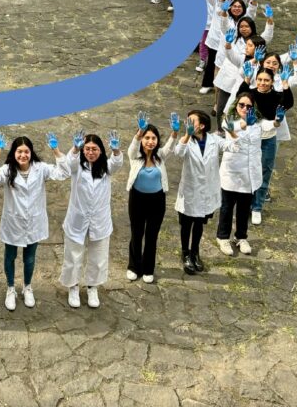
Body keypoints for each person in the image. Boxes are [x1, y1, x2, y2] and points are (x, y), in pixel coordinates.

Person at [0, 133, 68, 310]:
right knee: (10, 256)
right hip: (13, 223)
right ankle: (10, 288)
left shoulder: (40, 168)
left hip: (34, 222)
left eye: (26, 152)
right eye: (19, 151)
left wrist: (56, 150)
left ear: (31, 153)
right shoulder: (8, 170)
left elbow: (63, 173)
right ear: (14, 153)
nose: (23, 155)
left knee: (29, 258)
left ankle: (27, 287)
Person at [60, 131, 124, 308]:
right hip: (77, 218)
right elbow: (69, 162)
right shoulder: (77, 167)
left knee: (99, 255)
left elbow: (117, 163)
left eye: (94, 149)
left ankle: (92, 287)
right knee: (73, 253)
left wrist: (116, 150)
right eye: (87, 149)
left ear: (101, 151)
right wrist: (75, 147)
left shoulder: (106, 167)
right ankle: (73, 286)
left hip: (100, 220)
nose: (90, 152)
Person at [171, 110, 226, 274]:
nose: (187, 123)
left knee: (199, 223)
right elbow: (178, 152)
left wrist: (232, 131)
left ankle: (195, 252)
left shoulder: (214, 140)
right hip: (190, 191)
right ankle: (185, 253)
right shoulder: (187, 141)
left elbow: (233, 147)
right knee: (186, 224)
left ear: (202, 126)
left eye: (191, 121)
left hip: (206, 191)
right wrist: (186, 136)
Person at [238, 65, 295, 224]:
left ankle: (257, 207)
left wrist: (285, 83)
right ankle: (244, 204)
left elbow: (288, 102)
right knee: (246, 170)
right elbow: (239, 98)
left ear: (271, 82)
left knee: (265, 171)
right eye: (260, 79)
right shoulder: (251, 94)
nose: (262, 83)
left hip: (268, 138)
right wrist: (246, 79)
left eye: (266, 80)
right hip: (249, 137)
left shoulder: (277, 96)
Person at [125, 118, 171, 283]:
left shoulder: (161, 156)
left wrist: (175, 132)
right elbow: (131, 148)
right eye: (147, 138)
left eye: (154, 138)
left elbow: (170, 146)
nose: (150, 141)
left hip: (157, 200)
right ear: (142, 140)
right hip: (137, 199)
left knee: (152, 236)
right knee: (137, 234)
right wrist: (139, 132)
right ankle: (133, 266)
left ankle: (148, 268)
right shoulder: (135, 156)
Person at [217, 93, 263, 256]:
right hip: (232, 172)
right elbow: (231, 130)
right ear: (236, 106)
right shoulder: (229, 121)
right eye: (241, 105)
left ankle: (241, 237)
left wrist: (278, 120)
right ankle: (223, 237)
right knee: (227, 207)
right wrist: (245, 124)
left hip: (250, 174)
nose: (244, 108)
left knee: (244, 208)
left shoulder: (258, 124)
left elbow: (272, 126)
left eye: (248, 106)